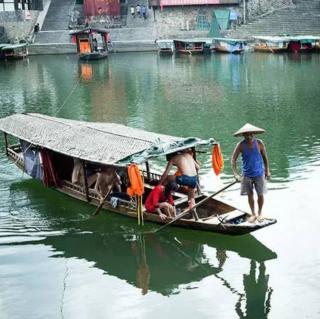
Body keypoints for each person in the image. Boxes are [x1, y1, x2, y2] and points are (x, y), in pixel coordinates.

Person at [231, 123, 270, 223]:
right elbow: (233, 160)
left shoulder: (259, 143)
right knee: (250, 195)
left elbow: (265, 157)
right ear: (243, 135)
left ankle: (260, 213)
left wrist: (267, 170)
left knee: (260, 194)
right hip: (247, 174)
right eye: (247, 135)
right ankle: (253, 214)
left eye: (251, 134)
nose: (249, 136)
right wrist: (236, 174)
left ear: (254, 134)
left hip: (259, 173)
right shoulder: (240, 145)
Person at [159, 149, 200, 218]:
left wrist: (158, 185)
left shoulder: (173, 158)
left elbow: (165, 173)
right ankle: (195, 217)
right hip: (195, 179)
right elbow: (198, 167)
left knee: (167, 178)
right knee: (191, 199)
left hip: (186, 179)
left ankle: (163, 195)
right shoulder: (188, 155)